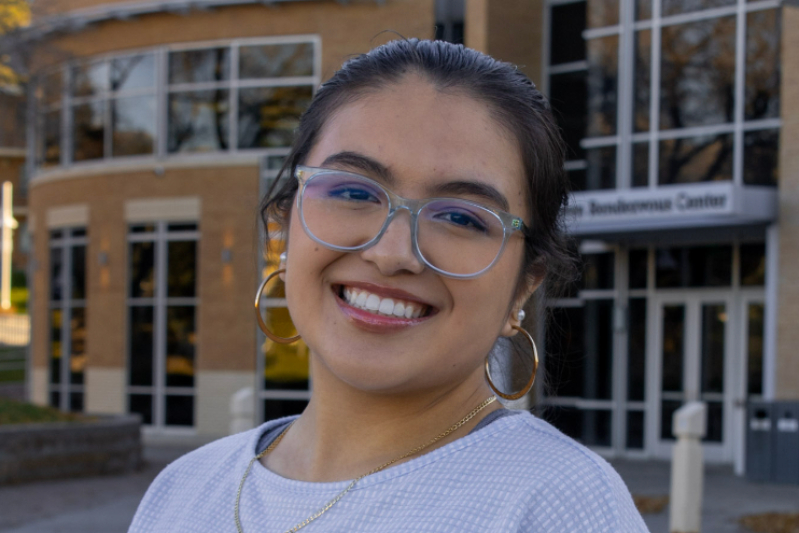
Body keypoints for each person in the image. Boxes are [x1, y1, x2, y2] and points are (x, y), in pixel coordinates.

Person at [128, 39, 649, 533]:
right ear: (284, 230)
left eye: (462, 218)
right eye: (353, 190)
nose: (392, 252)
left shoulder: (558, 503)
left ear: (523, 288)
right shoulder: (183, 489)